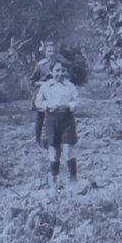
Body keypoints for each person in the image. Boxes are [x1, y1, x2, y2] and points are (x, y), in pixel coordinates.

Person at [33, 56, 79, 194]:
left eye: (62, 70)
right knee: (53, 150)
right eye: (57, 71)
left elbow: (77, 101)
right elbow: (38, 102)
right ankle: (54, 178)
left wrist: (68, 105)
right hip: (52, 119)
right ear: (52, 72)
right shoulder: (46, 86)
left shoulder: (70, 86)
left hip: (67, 119)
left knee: (68, 150)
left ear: (66, 72)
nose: (60, 74)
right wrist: (48, 105)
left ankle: (73, 178)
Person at [30, 41, 57, 146]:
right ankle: (37, 139)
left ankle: (51, 139)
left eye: (53, 51)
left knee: (54, 117)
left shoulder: (58, 65)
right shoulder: (40, 65)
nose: (51, 54)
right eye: (49, 51)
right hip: (42, 93)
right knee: (40, 117)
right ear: (45, 53)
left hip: (55, 93)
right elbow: (32, 81)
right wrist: (43, 83)